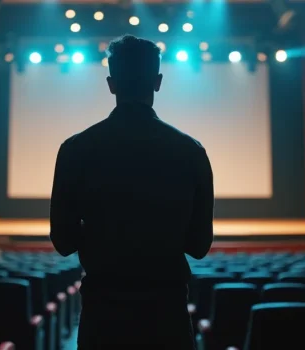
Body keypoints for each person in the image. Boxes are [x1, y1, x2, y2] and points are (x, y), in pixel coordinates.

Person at [50, 35, 214, 349]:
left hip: (103, 318)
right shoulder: (191, 151)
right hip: (168, 318)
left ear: (111, 84)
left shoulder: (75, 149)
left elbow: (63, 241)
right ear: (158, 82)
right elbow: (199, 246)